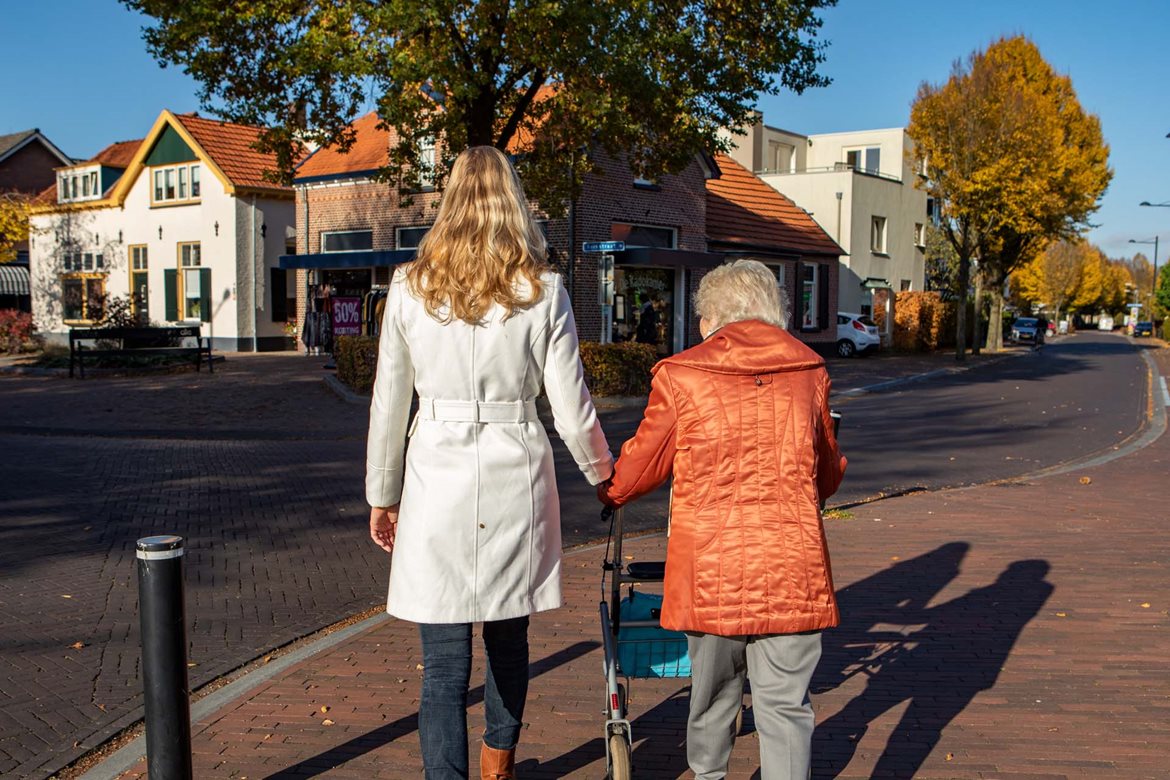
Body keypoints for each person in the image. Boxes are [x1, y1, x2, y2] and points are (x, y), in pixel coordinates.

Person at [366, 146, 613, 780]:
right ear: (515, 201)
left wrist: (382, 493)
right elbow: (570, 403)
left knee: (445, 662)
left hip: (435, 475)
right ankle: (497, 762)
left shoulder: (408, 288)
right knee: (509, 638)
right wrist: (603, 474)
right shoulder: (543, 291)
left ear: (448, 202)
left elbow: (389, 401)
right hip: (514, 471)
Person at [599, 258, 846, 780]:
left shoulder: (683, 374)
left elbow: (642, 465)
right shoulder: (809, 371)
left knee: (711, 698)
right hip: (791, 569)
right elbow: (825, 473)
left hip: (712, 570)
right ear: (774, 312)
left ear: (711, 318)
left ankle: (708, 776)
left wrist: (612, 489)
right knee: (787, 707)